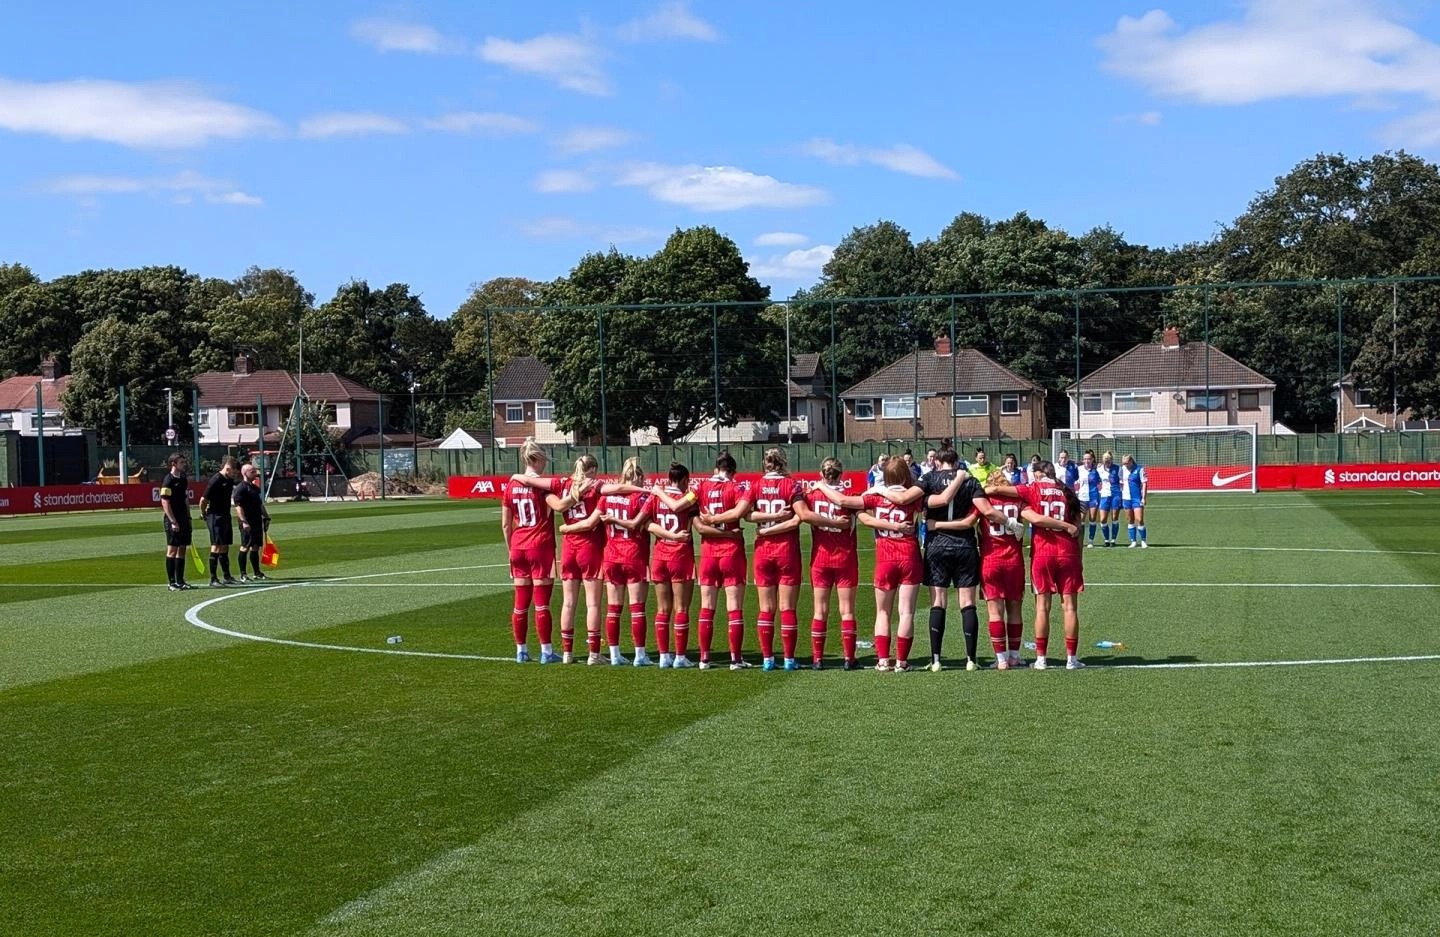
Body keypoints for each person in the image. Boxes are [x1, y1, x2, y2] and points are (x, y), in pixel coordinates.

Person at [872, 448, 1020, 671]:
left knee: (938, 602)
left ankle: (936, 660)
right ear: (957, 461)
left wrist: (878, 490)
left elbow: (906, 498)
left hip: (936, 546)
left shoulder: (929, 478)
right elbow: (986, 511)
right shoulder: (969, 481)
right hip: (964, 546)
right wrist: (1011, 524)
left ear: (938, 463)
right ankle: (971, 659)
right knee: (967, 603)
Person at [816, 456, 923, 672]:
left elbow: (843, 501)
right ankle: (902, 661)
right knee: (906, 612)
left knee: (882, 612)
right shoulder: (913, 497)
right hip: (909, 556)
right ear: (905, 475)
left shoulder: (874, 497)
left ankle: (883, 659)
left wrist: (820, 485)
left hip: (884, 558)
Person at [987, 463, 1087, 669]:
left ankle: (1041, 659)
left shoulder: (1033, 488)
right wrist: (1080, 558)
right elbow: (1079, 528)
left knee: (1042, 607)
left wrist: (982, 490)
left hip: (1043, 553)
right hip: (1068, 553)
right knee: (1070, 607)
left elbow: (996, 489)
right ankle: (1071, 659)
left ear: (1040, 474)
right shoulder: (1068, 492)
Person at [502, 440, 582, 664]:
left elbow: (506, 525)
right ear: (536, 459)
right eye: (545, 458)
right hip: (540, 546)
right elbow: (559, 505)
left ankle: (521, 651)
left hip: (518, 546)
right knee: (541, 603)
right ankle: (546, 651)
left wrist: (511, 549)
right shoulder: (545, 486)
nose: (547, 462)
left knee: (520, 603)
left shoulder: (511, 486)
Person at [795, 457, 860, 670]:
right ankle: (849, 659)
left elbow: (800, 516)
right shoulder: (849, 495)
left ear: (821, 473)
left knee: (820, 610)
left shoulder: (812, 494)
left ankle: (817, 659)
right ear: (842, 474)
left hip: (820, 558)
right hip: (845, 558)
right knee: (847, 610)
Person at [748, 448, 806, 671]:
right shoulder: (791, 485)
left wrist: (765, 530)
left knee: (766, 608)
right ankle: (789, 660)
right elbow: (798, 518)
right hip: (786, 551)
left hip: (763, 552)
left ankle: (767, 659)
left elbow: (746, 514)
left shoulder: (755, 485)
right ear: (784, 462)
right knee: (787, 608)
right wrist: (777, 521)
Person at [695, 452, 752, 670]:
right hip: (732, 553)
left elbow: (692, 515)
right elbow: (742, 512)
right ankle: (735, 660)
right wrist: (729, 532)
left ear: (715, 467)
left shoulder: (700, 487)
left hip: (708, 553)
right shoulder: (736, 487)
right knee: (734, 607)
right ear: (733, 471)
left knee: (707, 607)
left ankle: (704, 659)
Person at [597, 458, 655, 666]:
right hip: (634, 555)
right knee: (637, 607)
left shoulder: (607, 498)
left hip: (611, 556)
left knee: (614, 608)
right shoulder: (641, 498)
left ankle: (614, 654)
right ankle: (640, 655)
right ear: (638, 477)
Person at [648, 463, 698, 669]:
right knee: (681, 607)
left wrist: (659, 492)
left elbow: (645, 524)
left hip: (659, 555)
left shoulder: (656, 497)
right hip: (680, 556)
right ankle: (679, 656)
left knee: (662, 608)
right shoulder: (690, 497)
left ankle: (662, 656)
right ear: (685, 480)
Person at [199, 457, 240, 587]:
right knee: (216, 545)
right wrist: (203, 512)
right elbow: (203, 500)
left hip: (225, 515)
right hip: (215, 516)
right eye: (233, 472)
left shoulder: (229, 480)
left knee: (225, 545)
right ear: (227, 469)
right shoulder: (215, 480)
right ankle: (213, 579)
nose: (235, 475)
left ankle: (227, 576)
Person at [160, 452, 195, 591]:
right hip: (173, 519)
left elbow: (185, 498)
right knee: (172, 550)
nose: (184, 464)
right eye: (181, 462)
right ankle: (172, 582)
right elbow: (164, 501)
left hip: (183, 518)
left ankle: (180, 581)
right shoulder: (168, 480)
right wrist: (173, 521)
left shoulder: (183, 478)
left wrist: (188, 516)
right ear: (173, 464)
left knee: (182, 549)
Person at [232, 463, 270, 582]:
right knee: (245, 546)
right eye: (252, 471)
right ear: (245, 473)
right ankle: (243, 574)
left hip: (257, 521)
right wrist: (244, 521)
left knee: (255, 547)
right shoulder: (240, 488)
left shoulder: (254, 488)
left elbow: (259, 504)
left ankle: (257, 572)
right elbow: (238, 507)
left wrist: (266, 516)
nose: (255, 473)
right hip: (247, 522)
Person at [1121, 454, 1149, 548]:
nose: (1125, 465)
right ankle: (1133, 541)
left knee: (1139, 519)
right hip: (1126, 498)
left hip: (1137, 498)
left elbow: (1144, 483)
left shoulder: (1139, 469)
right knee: (1130, 520)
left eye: (1126, 463)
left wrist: (1143, 497)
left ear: (1131, 461)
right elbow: (1120, 482)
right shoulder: (1122, 470)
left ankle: (1143, 541)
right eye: (1124, 463)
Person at [1076, 450, 1102, 548]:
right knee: (1081, 519)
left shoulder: (1097, 470)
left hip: (1093, 497)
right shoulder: (1079, 469)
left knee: (1092, 519)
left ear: (1092, 460)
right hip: (1082, 497)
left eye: (1089, 459)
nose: (1087, 461)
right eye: (1085, 459)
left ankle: (1091, 541)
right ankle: (1081, 540)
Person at [1099, 450, 1123, 547]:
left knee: (1114, 517)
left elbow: (1123, 481)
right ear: (1103, 460)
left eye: (1109, 459)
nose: (1107, 460)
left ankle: (1113, 540)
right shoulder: (1099, 468)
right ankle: (1106, 539)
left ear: (1112, 460)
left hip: (1116, 495)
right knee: (1103, 519)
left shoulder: (1118, 468)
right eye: (1105, 459)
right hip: (1104, 495)